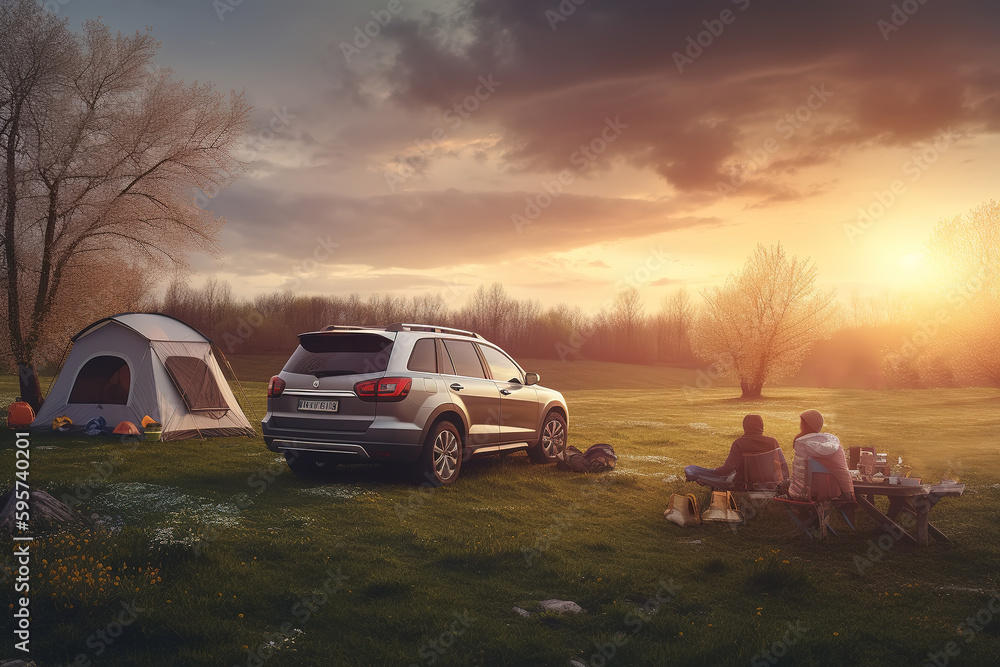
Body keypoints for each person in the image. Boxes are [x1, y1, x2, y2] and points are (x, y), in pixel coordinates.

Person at [684, 414, 788, 489]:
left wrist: (711, 473)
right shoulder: (772, 442)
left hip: (742, 484)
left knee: (722, 477)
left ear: (745, 427)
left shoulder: (739, 443)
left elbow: (727, 469)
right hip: (770, 483)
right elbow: (784, 467)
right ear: (761, 426)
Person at [786, 409, 854, 500]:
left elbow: (799, 474)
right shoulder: (833, 442)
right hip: (835, 491)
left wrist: (793, 492)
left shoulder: (802, 444)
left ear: (805, 425)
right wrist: (848, 493)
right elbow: (843, 471)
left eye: (801, 423)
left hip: (810, 493)